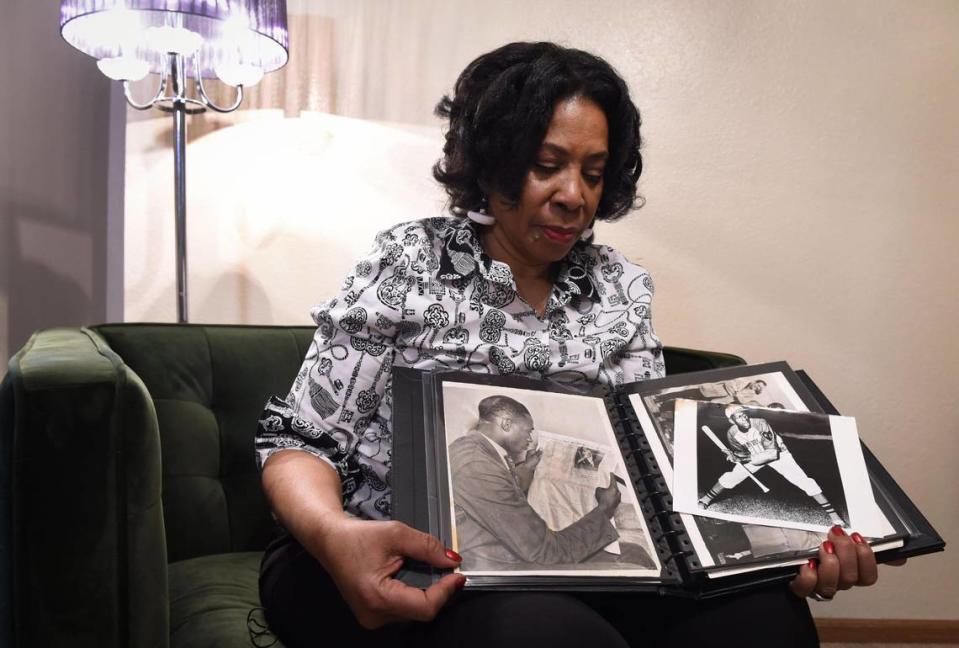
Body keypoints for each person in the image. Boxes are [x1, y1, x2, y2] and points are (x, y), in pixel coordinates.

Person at [255, 42, 885, 648]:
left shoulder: (621, 287)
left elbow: (654, 472)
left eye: (593, 172)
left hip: (561, 567)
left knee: (765, 618)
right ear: (493, 161)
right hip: (386, 554)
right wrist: (335, 535)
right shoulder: (409, 262)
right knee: (544, 630)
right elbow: (299, 443)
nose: (574, 196)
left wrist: (780, 548)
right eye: (546, 165)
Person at [449, 395, 621, 570]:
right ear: (506, 424)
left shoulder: (469, 447)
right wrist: (604, 510)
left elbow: (500, 485)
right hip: (500, 566)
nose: (530, 439)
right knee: (631, 563)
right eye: (528, 431)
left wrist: (528, 468)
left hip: (500, 550)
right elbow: (547, 554)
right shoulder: (477, 466)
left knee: (632, 551)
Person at [698, 405, 846, 527]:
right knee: (732, 477)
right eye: (738, 416)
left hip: (779, 455)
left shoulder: (760, 423)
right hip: (754, 457)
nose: (744, 418)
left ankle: (834, 516)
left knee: (805, 482)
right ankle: (705, 500)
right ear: (732, 421)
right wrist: (734, 456)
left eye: (744, 414)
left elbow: (771, 454)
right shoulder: (732, 433)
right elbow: (741, 454)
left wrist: (743, 457)